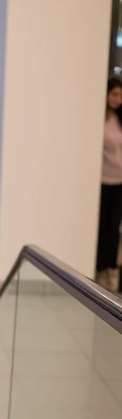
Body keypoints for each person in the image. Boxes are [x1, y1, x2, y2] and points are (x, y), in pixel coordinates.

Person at [96, 76, 122, 292]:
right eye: (114, 94)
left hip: (119, 182)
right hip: (103, 181)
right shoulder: (99, 120)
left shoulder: (120, 120)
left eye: (121, 96)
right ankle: (98, 267)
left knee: (114, 229)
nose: (118, 99)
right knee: (102, 227)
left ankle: (111, 269)